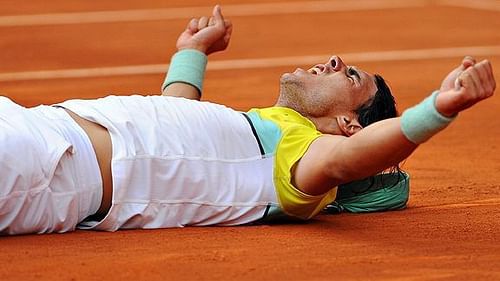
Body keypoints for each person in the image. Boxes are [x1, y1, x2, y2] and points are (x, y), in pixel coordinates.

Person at [0, 6, 495, 235]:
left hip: (46, 167)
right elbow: (173, 116)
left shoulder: (301, 164)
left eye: (352, 75)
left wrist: (438, 108)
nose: (335, 59)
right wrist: (192, 54)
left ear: (348, 124)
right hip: (35, 129)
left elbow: (350, 162)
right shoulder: (259, 130)